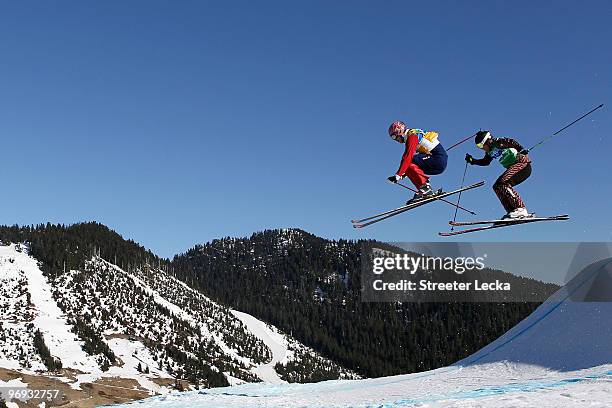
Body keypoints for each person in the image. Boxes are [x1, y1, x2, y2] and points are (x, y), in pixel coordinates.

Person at [465, 130, 532, 219]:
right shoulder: (489, 152)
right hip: (514, 168)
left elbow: (511, 141)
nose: (481, 148)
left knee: (502, 183)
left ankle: (521, 209)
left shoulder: (498, 142)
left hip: (522, 164)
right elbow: (485, 162)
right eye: (478, 147)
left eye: (481, 145)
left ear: (487, 141)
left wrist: (521, 149)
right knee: (497, 186)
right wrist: (473, 161)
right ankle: (512, 211)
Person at [387, 121, 448, 204]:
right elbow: (412, 166)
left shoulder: (412, 136)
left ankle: (425, 189)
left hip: (437, 160)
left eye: (394, 136)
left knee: (409, 161)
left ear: (399, 131)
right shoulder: (413, 134)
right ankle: (425, 190)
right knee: (410, 164)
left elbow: (407, 157)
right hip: (437, 161)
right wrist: (403, 174)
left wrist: (398, 175)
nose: (395, 140)